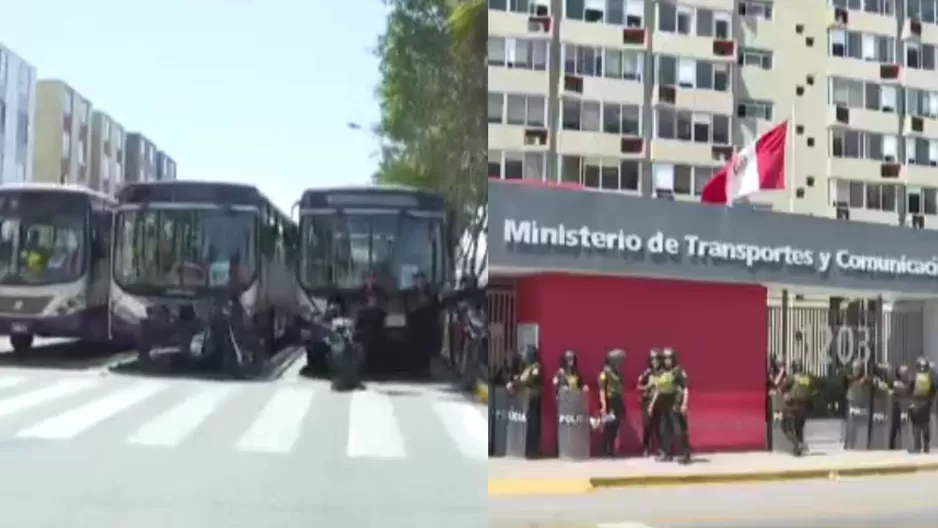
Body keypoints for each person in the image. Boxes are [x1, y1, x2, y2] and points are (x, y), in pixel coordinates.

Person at [653, 348, 690, 464]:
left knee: (679, 430)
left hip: (675, 404)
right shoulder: (663, 371)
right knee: (664, 430)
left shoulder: (678, 371)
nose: (667, 361)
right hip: (665, 404)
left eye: (669, 358)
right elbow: (658, 388)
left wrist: (684, 404)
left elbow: (685, 389)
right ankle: (666, 453)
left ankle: (686, 454)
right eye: (665, 359)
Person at [508, 345, 542, 458]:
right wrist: (514, 380)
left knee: (532, 425)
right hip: (524, 401)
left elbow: (527, 380)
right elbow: (521, 379)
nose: (523, 358)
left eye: (525, 355)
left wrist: (514, 384)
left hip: (532, 400)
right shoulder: (526, 368)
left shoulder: (536, 368)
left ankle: (532, 451)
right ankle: (525, 449)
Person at [406, 271, 442, 376]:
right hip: (415, 324)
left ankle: (425, 370)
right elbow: (408, 308)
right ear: (416, 282)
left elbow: (437, 308)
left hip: (428, 324)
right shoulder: (411, 293)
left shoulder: (431, 294)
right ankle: (414, 370)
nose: (421, 283)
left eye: (423, 280)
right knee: (415, 348)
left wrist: (428, 307)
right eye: (419, 280)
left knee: (426, 348)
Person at [780, 359, 814, 456]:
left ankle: (797, 444)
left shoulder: (791, 377)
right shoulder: (807, 378)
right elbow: (811, 389)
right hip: (804, 407)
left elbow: (782, 387)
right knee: (799, 427)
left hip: (792, 406)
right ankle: (799, 448)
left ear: (793, 367)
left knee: (785, 427)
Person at [597, 348, 625, 458]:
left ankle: (611, 448)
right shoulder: (605, 373)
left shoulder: (616, 372)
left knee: (615, 425)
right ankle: (605, 448)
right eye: (618, 361)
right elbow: (602, 389)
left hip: (617, 400)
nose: (619, 363)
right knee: (608, 425)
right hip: (609, 401)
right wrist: (604, 405)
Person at [907, 357, 937, 454]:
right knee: (925, 425)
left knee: (916, 426)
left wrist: (912, 400)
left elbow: (909, 389)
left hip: (916, 403)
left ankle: (917, 448)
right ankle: (926, 448)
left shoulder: (914, 377)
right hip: (926, 404)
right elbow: (933, 390)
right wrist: (929, 400)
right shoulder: (929, 378)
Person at [637, 348, 662, 457]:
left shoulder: (663, 373)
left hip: (660, 402)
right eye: (652, 360)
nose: (654, 362)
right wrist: (648, 385)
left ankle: (661, 448)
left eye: (656, 359)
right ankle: (646, 448)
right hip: (647, 402)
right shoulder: (647, 372)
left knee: (660, 427)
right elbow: (638, 387)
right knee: (647, 426)